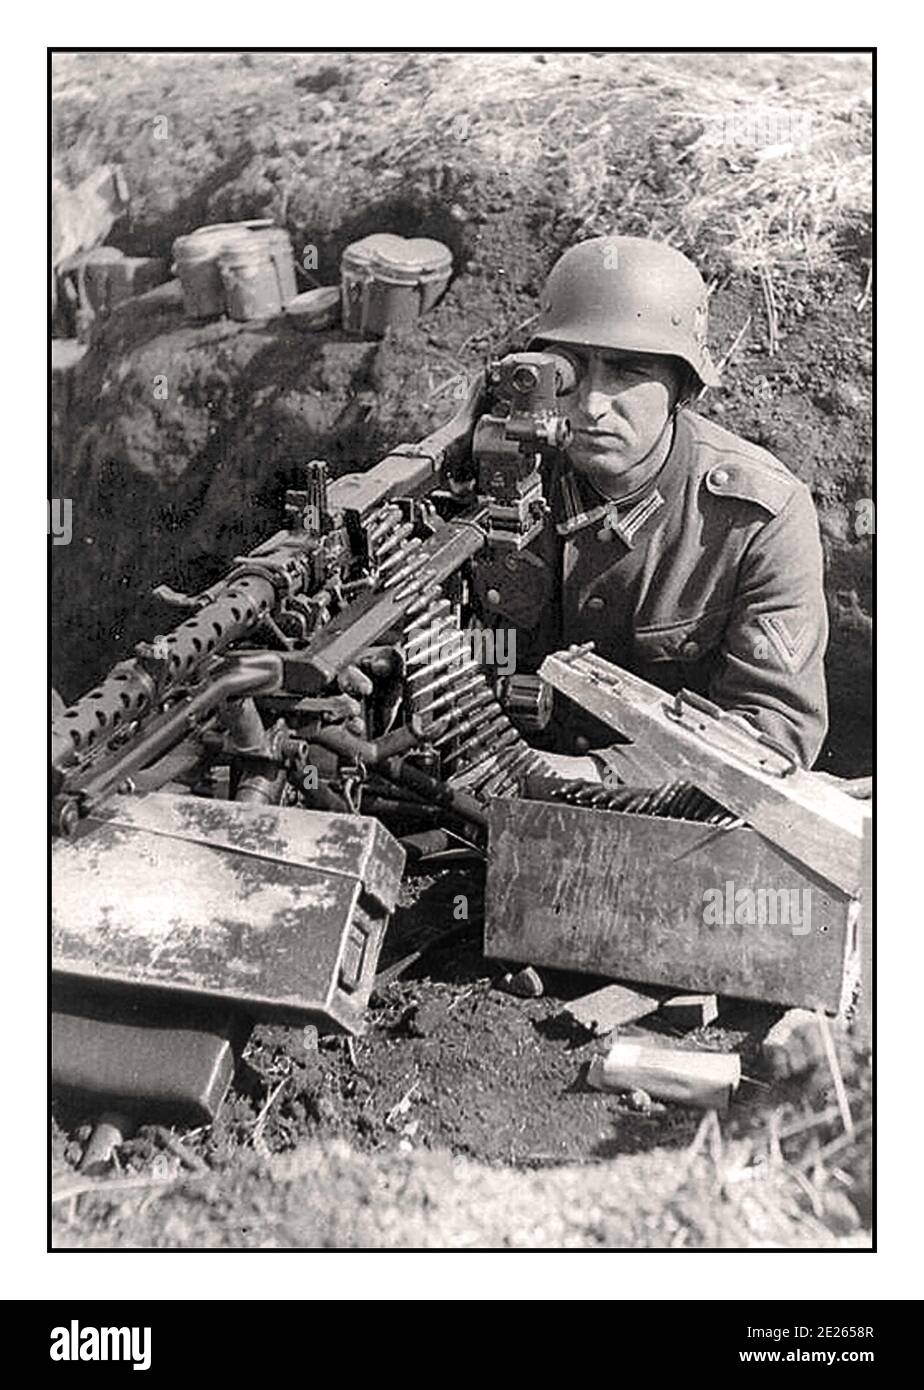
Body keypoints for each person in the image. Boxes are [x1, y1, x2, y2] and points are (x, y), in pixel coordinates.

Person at [501, 235, 830, 777]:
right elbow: (458, 644)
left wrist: (595, 777)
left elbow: (772, 732)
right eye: (572, 369)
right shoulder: (500, 477)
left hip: (670, 822)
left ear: (683, 387)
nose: (592, 404)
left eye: (628, 372)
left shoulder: (756, 518)